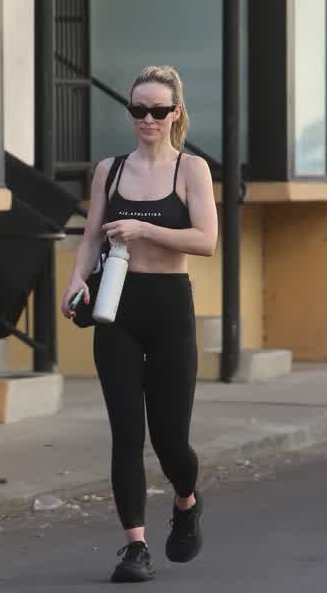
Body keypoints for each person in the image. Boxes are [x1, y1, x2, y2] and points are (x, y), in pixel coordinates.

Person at [61, 65, 218, 583]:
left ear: (175, 113)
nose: (147, 118)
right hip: (117, 306)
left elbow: (205, 240)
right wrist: (76, 279)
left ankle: (186, 500)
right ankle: (135, 547)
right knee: (126, 434)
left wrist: (143, 230)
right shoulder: (109, 170)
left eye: (158, 110)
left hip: (170, 308)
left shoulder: (191, 169)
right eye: (138, 109)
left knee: (171, 441)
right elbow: (91, 236)